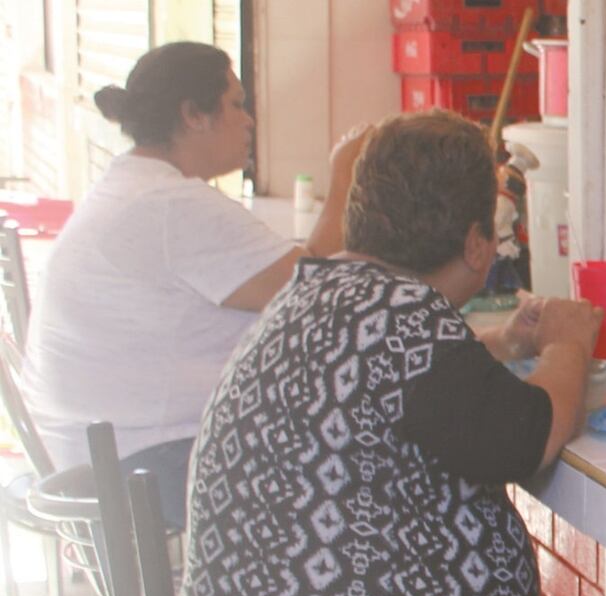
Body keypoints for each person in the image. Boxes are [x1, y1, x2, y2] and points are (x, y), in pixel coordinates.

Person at [179, 109, 603, 596]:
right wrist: (567, 344)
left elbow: (389, 387)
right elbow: (525, 438)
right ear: (476, 244)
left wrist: (504, 343)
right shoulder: (400, 316)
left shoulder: (324, 292)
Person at [21, 42, 365, 525]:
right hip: (145, 468)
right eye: (237, 104)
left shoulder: (135, 187)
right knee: (368, 460)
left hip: (97, 457)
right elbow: (315, 288)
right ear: (193, 115)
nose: (249, 121)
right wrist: (347, 173)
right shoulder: (170, 204)